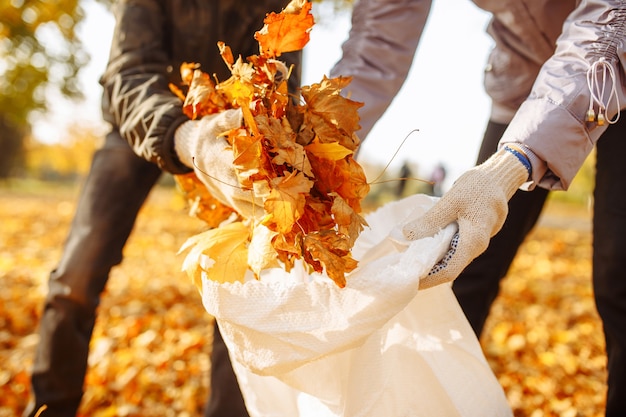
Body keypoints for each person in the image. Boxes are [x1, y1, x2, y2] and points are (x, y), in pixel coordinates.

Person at [329, 0, 626, 415]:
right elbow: (380, 33)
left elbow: (611, 18)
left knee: (619, 278)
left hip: (608, 45)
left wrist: (514, 161)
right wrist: (318, 144)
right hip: (529, 80)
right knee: (461, 258)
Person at [23, 1, 301, 416]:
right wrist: (185, 137)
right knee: (77, 275)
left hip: (229, 143)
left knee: (244, 283)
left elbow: (278, 84)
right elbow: (128, 74)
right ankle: (50, 407)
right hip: (140, 124)